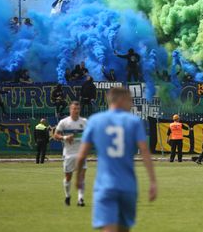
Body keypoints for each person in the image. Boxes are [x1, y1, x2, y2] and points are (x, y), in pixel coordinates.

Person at [75, 87, 157, 231]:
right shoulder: (134, 121)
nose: (131, 105)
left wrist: (78, 179)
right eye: (130, 101)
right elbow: (144, 150)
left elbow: (81, 155)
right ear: (120, 100)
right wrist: (152, 181)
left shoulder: (95, 120)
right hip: (128, 187)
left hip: (105, 186)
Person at [54, 101, 88, 207]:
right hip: (69, 153)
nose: (76, 111)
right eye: (74, 109)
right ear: (70, 110)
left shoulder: (85, 122)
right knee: (68, 177)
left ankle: (80, 199)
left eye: (78, 109)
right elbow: (55, 135)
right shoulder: (64, 122)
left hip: (81, 153)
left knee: (82, 176)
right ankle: (68, 196)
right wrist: (65, 137)